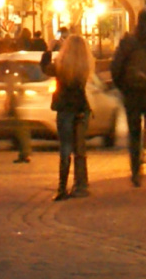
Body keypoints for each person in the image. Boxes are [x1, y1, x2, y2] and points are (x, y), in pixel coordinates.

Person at [110, 10, 146, 188]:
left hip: (132, 94)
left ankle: (136, 173)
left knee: (134, 135)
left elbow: (116, 68)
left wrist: (123, 88)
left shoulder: (128, 42)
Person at [42, 32, 94, 200]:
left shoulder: (61, 65)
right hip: (81, 108)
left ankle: (62, 188)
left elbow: (45, 67)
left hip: (65, 108)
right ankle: (80, 185)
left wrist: (49, 49)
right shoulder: (85, 65)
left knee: (65, 147)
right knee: (80, 148)